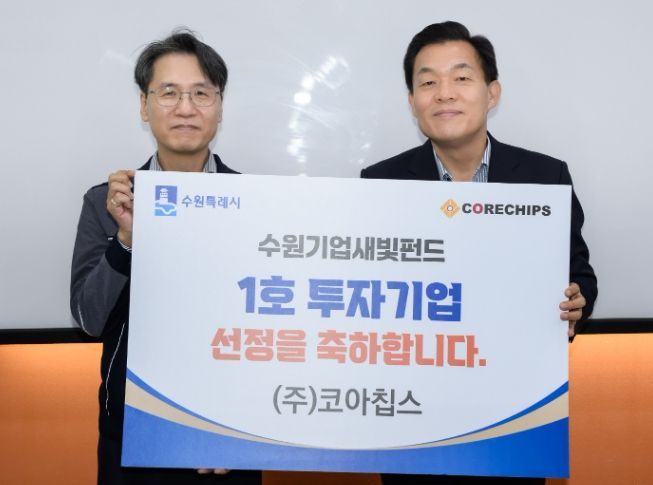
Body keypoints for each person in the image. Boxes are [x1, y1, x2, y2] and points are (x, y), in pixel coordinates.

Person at [361, 21, 598, 485]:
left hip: (514, 414)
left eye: (461, 77)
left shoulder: (545, 177)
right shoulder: (379, 183)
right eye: (428, 82)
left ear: (492, 93)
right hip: (415, 417)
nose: (444, 93)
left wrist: (578, 301)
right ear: (412, 101)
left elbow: (579, 272)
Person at [70, 30, 261, 485]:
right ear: (144, 105)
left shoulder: (258, 203)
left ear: (219, 106)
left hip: (228, 435)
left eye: (201, 93)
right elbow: (88, 319)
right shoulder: (106, 202)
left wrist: (241, 425)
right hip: (132, 431)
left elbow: (272, 326)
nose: (186, 108)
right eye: (169, 92)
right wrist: (126, 239)